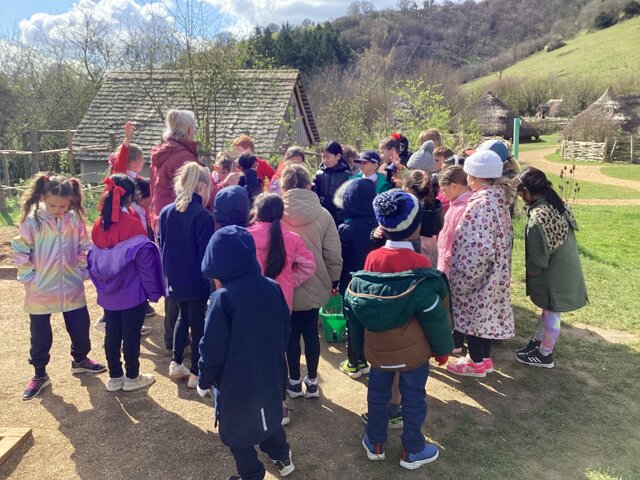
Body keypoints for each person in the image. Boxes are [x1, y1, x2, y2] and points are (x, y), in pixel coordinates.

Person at [344, 189, 453, 471]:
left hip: (378, 349)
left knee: (377, 395)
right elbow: (434, 316)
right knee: (414, 397)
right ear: (416, 226)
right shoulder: (421, 265)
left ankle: (374, 442)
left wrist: (358, 348)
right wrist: (442, 350)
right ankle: (413, 449)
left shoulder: (372, 259)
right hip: (412, 353)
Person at [198, 225, 294, 480]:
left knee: (237, 434)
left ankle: (251, 474)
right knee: (270, 415)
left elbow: (212, 347)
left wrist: (204, 379)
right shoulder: (272, 287)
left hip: (236, 383)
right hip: (270, 372)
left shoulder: (222, 299)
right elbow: (285, 328)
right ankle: (282, 455)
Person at [13, 174, 105, 401]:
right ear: (42, 198)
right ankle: (39, 373)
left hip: (71, 286)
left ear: (71, 202)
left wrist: (81, 271)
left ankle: (80, 360)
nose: (58, 210)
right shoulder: (32, 222)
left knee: (80, 326)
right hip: (40, 290)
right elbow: (21, 252)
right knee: (40, 335)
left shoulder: (74, 219)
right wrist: (29, 279)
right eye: (53, 205)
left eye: (63, 206)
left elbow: (84, 247)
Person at [88, 174, 164, 392]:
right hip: (132, 294)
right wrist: (153, 292)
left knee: (112, 334)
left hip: (108, 295)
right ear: (129, 197)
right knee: (131, 335)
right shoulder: (132, 224)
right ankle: (132, 377)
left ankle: (114, 377)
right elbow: (145, 265)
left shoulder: (98, 225)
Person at [446, 150, 516, 377]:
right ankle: (483, 359)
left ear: (474, 176)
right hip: (495, 272)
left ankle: (475, 363)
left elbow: (476, 248)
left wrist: (463, 278)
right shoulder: (498, 199)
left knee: (474, 316)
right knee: (485, 315)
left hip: (478, 274)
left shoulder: (481, 204)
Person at [514, 167, 588, 368]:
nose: (519, 196)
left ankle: (545, 354)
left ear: (528, 191)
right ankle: (539, 342)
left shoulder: (538, 217)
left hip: (553, 273)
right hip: (564, 267)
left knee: (552, 310)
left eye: (520, 191)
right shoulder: (556, 203)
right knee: (548, 309)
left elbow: (539, 258)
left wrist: (531, 272)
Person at [281, 164, 342, 399]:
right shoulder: (324, 214)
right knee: (310, 332)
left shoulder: (276, 213)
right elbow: (333, 253)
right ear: (309, 184)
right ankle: (313, 382)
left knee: (290, 333)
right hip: (316, 280)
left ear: (284, 186)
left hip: (285, 283)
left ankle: (294, 382)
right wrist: (334, 280)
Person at [151, 109, 206, 350]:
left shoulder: (162, 154)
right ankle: (180, 339)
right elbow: (195, 188)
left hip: (162, 218)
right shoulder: (184, 158)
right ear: (189, 130)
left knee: (172, 275)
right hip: (183, 218)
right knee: (186, 278)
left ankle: (172, 337)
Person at [158, 163, 215, 389]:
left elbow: (161, 243)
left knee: (182, 315)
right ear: (202, 186)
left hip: (173, 276)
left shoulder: (166, 211)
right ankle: (196, 372)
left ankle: (176, 361)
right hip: (195, 278)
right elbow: (206, 254)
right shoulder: (203, 215)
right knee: (198, 321)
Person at [333, 178, 378, 379]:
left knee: (353, 323)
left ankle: (353, 363)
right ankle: (365, 360)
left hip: (351, 284)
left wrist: (334, 282)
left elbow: (339, 259)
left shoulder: (346, 229)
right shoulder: (379, 228)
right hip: (374, 283)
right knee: (367, 323)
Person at [248, 193, 316, 313]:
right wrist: (291, 280)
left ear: (256, 213)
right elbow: (309, 265)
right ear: (282, 214)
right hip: (282, 300)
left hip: (252, 300)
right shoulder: (292, 239)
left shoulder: (245, 236)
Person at [436, 166, 472, 353]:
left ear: (455, 186)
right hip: (448, 261)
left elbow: (455, 239)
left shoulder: (462, 208)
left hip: (452, 264)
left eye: (444, 189)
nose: (443, 193)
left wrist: (447, 260)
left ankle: (456, 342)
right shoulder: (457, 205)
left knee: (454, 305)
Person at [403, 170, 444, 267]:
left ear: (409, 189)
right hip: (432, 249)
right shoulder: (434, 207)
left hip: (414, 251)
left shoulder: (409, 210)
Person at [313, 140, 351, 225]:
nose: (324, 160)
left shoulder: (347, 175)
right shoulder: (319, 174)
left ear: (338, 156)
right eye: (323, 157)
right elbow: (313, 193)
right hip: (321, 213)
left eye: (327, 157)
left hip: (339, 217)